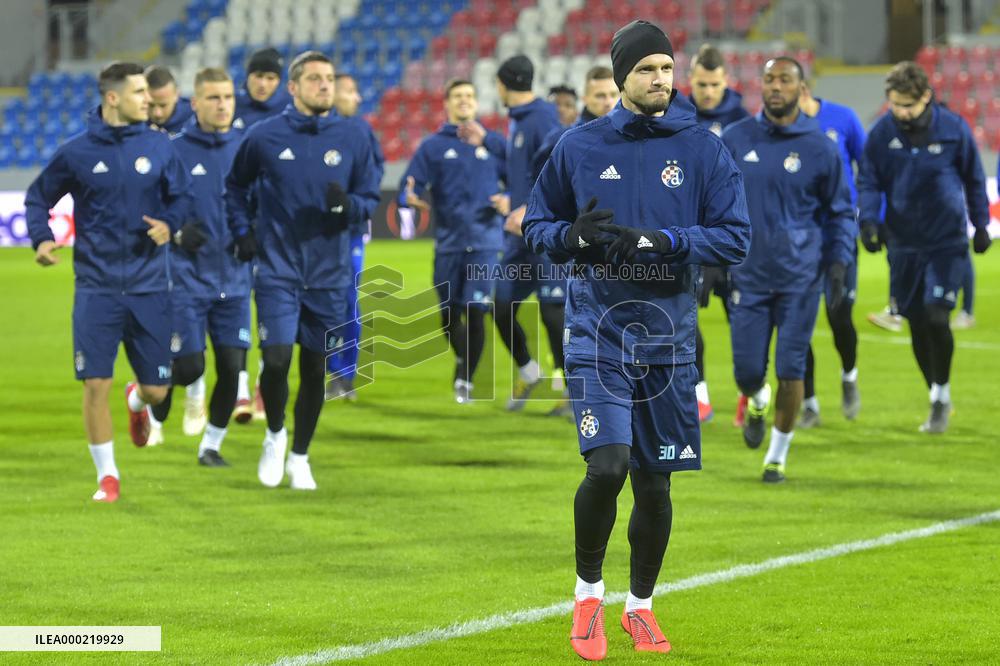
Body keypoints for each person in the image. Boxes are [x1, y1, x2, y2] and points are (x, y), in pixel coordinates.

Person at [524, 20, 751, 659]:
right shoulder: (579, 145)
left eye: (666, 68)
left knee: (656, 484)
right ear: (622, 76)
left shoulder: (702, 147)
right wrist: (569, 238)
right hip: (597, 332)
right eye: (647, 69)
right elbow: (537, 222)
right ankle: (588, 596)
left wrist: (668, 242)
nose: (661, 80)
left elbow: (736, 237)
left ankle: (641, 608)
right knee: (610, 465)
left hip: (669, 341)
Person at [25, 62, 191, 502]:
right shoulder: (76, 152)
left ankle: (137, 398)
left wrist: (169, 224)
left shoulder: (159, 146)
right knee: (95, 383)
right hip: (96, 289)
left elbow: (181, 199)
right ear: (113, 98)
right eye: (139, 91)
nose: (149, 99)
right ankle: (108, 477)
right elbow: (38, 197)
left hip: (150, 286)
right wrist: (42, 239)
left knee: (159, 391)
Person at [225, 51, 380, 489]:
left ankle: (300, 455)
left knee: (315, 369)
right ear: (293, 88)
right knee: (275, 360)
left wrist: (349, 206)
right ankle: (275, 435)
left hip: (329, 275)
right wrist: (242, 230)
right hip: (277, 270)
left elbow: (370, 196)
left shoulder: (355, 136)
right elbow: (235, 187)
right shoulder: (264, 136)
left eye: (329, 78)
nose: (325, 85)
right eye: (314, 79)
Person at [722, 57, 855, 483]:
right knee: (746, 372)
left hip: (801, 278)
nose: (775, 86)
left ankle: (776, 455)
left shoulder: (822, 147)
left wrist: (838, 262)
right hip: (749, 275)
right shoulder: (736, 138)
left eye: (785, 79)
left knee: (791, 369)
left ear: (802, 88)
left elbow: (840, 212)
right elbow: (713, 205)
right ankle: (756, 400)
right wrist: (709, 262)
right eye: (769, 79)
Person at [857, 61, 991, 433]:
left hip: (946, 241)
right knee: (917, 325)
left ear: (926, 97)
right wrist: (868, 220)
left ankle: (941, 393)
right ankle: (936, 394)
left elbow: (974, 178)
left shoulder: (952, 128)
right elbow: (869, 180)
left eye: (908, 106)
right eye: (895, 104)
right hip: (903, 245)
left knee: (936, 316)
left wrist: (981, 224)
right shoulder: (882, 132)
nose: (901, 112)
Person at [144, 67, 249, 467]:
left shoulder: (246, 146)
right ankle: (147, 393)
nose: (222, 105)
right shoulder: (173, 150)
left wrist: (253, 232)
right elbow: (146, 210)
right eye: (214, 98)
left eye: (227, 97)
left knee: (232, 366)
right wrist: (173, 233)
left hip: (235, 279)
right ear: (196, 103)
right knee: (189, 367)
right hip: (185, 278)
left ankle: (211, 444)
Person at [458, 55, 564, 411]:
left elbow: (555, 172)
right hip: (519, 237)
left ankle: (570, 390)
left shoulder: (542, 117)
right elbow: (522, 166)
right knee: (501, 305)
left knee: (553, 312)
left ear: (503, 84)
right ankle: (529, 370)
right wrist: (486, 139)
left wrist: (530, 208)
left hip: (544, 233)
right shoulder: (519, 121)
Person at [399, 79, 506, 403]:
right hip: (449, 242)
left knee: (475, 311)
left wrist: (510, 197)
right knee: (447, 314)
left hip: (485, 241)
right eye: (458, 96)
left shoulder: (493, 142)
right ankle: (464, 358)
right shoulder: (432, 146)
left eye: (470, 96)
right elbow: (411, 184)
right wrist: (411, 198)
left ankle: (465, 379)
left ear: (476, 103)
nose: (465, 101)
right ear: (446, 103)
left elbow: (524, 180)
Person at [529, 65, 620, 418]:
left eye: (612, 94)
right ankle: (574, 394)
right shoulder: (566, 140)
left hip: (620, 255)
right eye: (600, 95)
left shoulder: (631, 139)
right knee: (567, 321)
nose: (608, 101)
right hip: (571, 250)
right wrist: (565, 233)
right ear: (586, 97)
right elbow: (540, 191)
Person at [796, 81, 866, 428]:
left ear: (804, 90)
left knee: (840, 315)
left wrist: (869, 218)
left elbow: (867, 169)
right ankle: (809, 402)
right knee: (800, 325)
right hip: (800, 242)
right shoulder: (782, 130)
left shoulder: (844, 118)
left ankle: (849, 375)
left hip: (839, 234)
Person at [230, 47, 294, 424]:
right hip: (234, 221)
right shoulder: (230, 108)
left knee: (270, 306)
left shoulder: (288, 114)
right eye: (259, 77)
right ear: (248, 76)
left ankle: (260, 382)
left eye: (271, 78)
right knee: (235, 303)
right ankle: (238, 389)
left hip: (274, 225)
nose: (265, 84)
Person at [686, 43, 749, 423]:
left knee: (742, 323)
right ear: (690, 80)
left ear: (726, 80)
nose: (708, 91)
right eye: (701, 84)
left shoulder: (742, 120)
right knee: (685, 320)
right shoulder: (679, 117)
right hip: (691, 239)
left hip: (733, 241)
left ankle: (748, 391)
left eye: (714, 84)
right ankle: (700, 396)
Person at [325, 72, 386, 402]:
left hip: (349, 231)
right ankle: (326, 368)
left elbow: (376, 170)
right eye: (350, 92)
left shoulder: (361, 129)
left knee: (348, 301)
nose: (357, 98)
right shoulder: (313, 127)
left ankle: (344, 374)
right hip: (315, 233)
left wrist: (353, 197)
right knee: (321, 304)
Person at [145, 65, 193, 136]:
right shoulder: (132, 120)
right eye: (151, 105)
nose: (157, 113)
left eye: (163, 105)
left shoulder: (196, 117)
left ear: (177, 95)